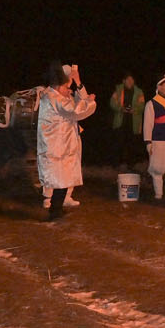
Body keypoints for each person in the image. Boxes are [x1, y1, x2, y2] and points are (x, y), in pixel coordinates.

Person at [35, 63, 95, 221]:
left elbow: (75, 104)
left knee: (62, 180)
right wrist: (89, 101)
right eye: (67, 86)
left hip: (61, 145)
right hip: (57, 147)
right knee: (60, 180)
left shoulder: (56, 96)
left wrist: (80, 86)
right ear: (59, 85)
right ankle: (54, 211)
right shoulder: (53, 98)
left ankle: (57, 209)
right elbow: (76, 110)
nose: (69, 90)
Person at [142, 73, 165, 200]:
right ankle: (159, 193)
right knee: (158, 168)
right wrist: (148, 142)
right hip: (158, 140)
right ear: (159, 87)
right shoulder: (151, 104)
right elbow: (148, 124)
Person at [107, 73, 144, 165]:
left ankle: (131, 164)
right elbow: (112, 103)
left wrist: (134, 109)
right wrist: (121, 108)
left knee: (132, 144)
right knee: (119, 143)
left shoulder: (139, 92)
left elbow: (142, 105)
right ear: (124, 81)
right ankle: (117, 164)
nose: (130, 82)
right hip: (120, 121)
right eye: (128, 80)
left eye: (132, 80)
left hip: (134, 123)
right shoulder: (118, 90)